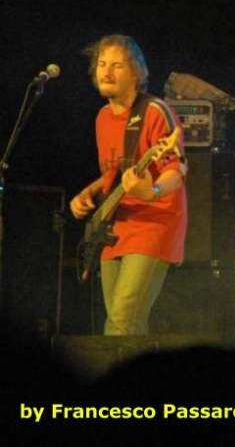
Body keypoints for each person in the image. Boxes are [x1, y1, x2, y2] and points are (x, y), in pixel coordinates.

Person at [69, 35, 187, 335]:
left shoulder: (155, 111)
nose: (106, 72)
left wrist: (153, 191)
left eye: (117, 65)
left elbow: (177, 169)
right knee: (125, 322)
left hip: (154, 223)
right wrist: (88, 192)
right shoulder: (102, 118)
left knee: (121, 319)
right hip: (115, 224)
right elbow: (115, 173)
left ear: (136, 73)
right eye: (102, 65)